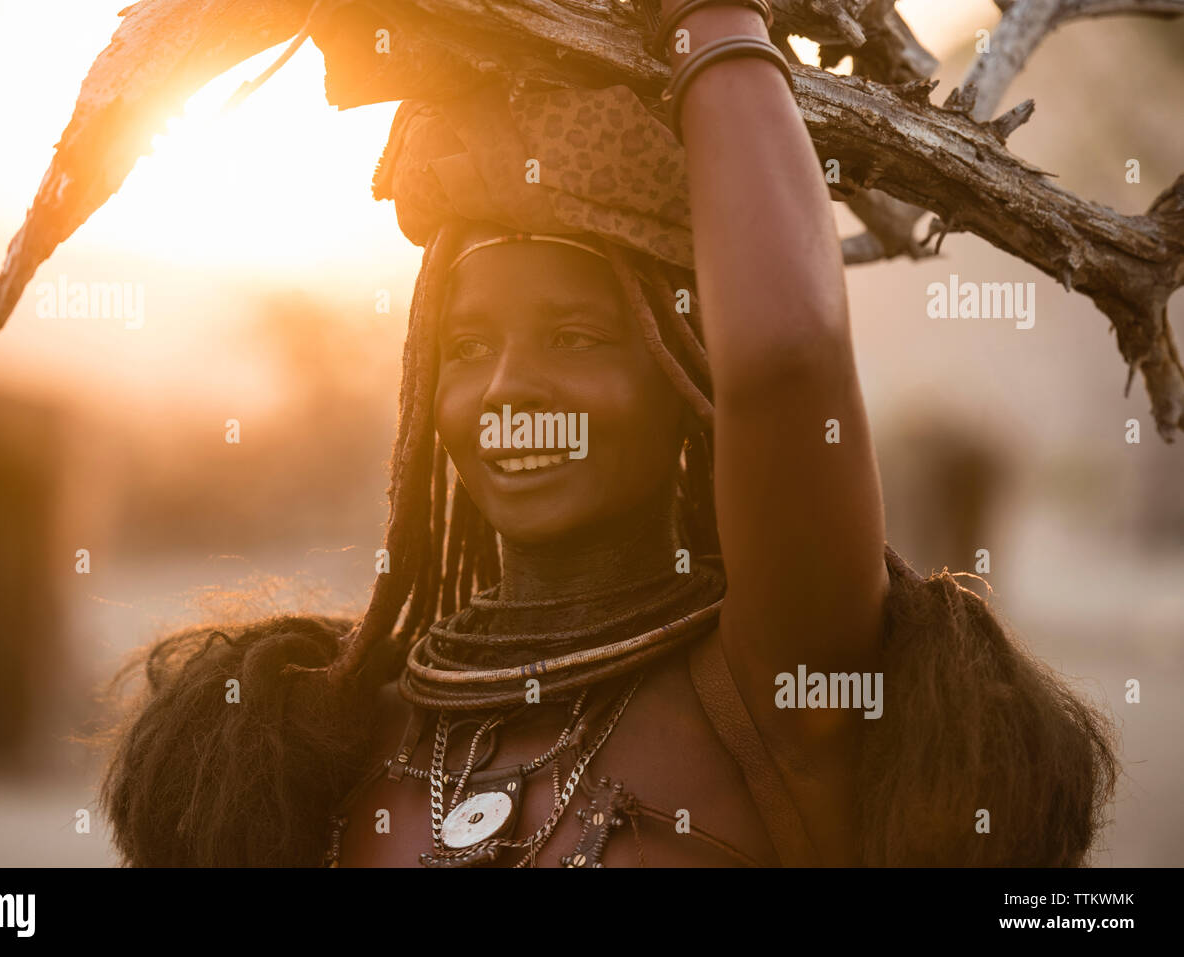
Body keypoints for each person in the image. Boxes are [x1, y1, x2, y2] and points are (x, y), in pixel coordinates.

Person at [98, 1, 1117, 867]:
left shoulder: (771, 690)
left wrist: (709, 18)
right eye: (463, 348)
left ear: (683, 370)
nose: (506, 389)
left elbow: (787, 353)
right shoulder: (340, 733)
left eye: (575, 335)